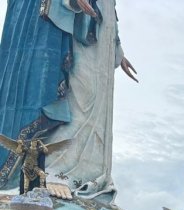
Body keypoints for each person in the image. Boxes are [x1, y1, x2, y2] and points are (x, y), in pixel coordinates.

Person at [0, 0, 138, 198]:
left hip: (100, 37)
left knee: (98, 105)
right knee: (80, 95)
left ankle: (87, 176)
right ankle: (56, 171)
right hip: (75, 27)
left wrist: (117, 49)